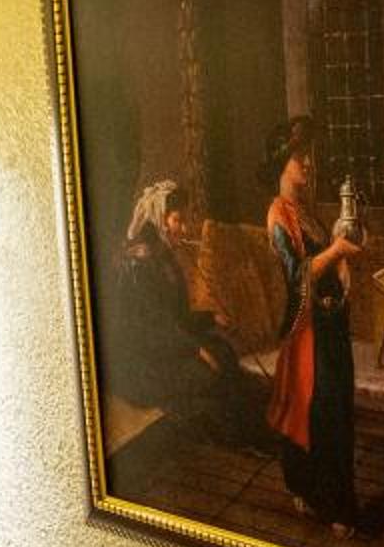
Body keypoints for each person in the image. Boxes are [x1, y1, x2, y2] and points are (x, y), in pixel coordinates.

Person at [259, 115, 362, 534]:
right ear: (281, 163)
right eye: (299, 156)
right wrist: (337, 251)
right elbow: (297, 275)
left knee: (338, 409)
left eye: (308, 155)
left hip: (330, 322)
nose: (308, 163)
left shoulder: (307, 210)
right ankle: (328, 503)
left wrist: (341, 264)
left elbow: (325, 258)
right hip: (305, 329)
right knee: (320, 413)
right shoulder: (277, 214)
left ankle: (330, 497)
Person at [110, 177, 267, 444]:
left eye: (184, 221)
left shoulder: (164, 257)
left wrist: (210, 317)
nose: (183, 229)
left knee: (223, 351)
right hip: (142, 363)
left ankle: (252, 429)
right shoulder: (139, 264)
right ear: (160, 220)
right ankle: (239, 438)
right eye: (177, 220)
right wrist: (195, 349)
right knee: (206, 370)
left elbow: (177, 318)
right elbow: (152, 329)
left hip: (167, 348)